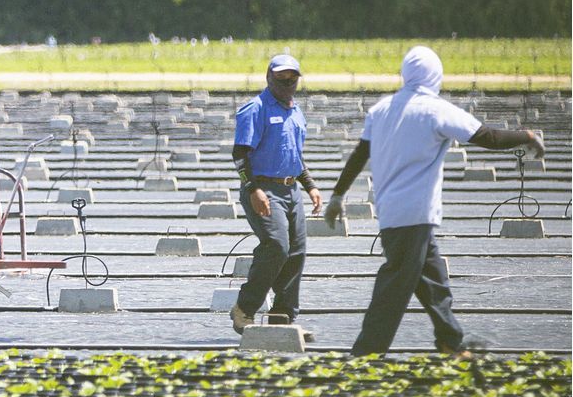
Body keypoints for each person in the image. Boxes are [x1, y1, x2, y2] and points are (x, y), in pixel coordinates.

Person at [325, 45, 545, 357]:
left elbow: (360, 154)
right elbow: (488, 138)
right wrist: (526, 136)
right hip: (414, 213)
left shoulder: (382, 110)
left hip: (394, 213)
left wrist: (337, 195)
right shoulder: (435, 110)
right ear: (435, 75)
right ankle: (365, 354)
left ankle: (449, 341)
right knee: (395, 286)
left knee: (433, 282)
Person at [230, 54, 322, 334]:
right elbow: (239, 154)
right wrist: (253, 188)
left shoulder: (296, 112)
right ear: (269, 77)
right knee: (276, 246)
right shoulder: (255, 109)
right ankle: (244, 309)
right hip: (263, 189)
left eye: (292, 78)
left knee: (296, 253)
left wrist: (310, 185)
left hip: (291, 189)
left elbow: (294, 155)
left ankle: (282, 318)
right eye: (281, 77)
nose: (286, 82)